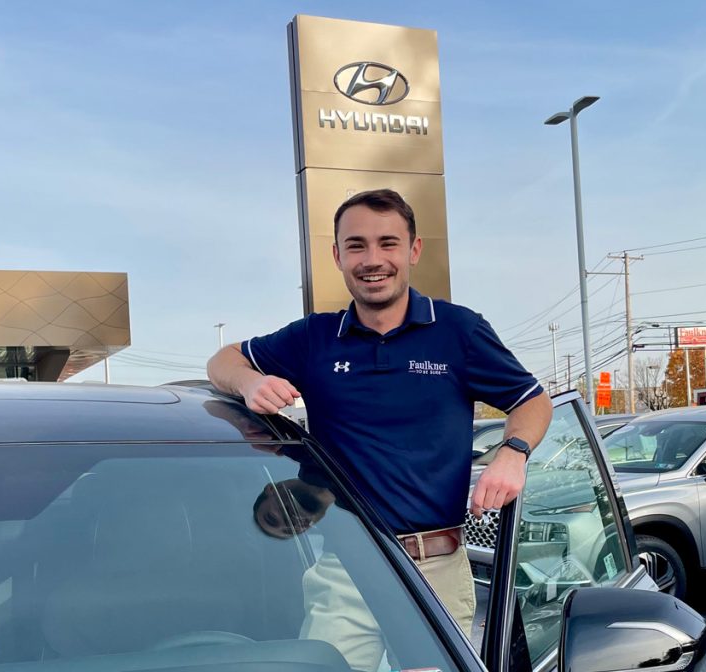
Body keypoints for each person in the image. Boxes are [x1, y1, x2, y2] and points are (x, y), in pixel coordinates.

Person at [208, 188, 552, 660]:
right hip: (346, 568)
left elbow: (532, 400)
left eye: (388, 243)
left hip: (437, 570)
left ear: (413, 250)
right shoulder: (314, 338)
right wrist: (249, 383)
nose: (373, 259)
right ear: (337, 255)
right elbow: (222, 360)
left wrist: (513, 454)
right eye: (356, 246)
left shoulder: (459, 331)